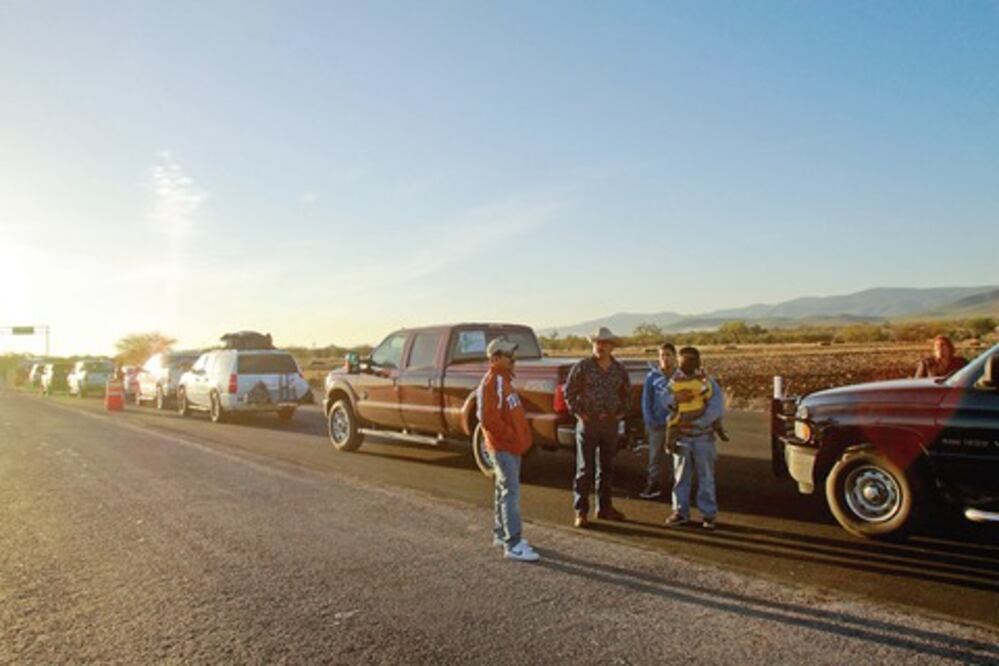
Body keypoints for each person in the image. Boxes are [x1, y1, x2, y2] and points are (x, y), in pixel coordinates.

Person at [477, 336, 539, 562]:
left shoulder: (504, 380)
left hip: (511, 446)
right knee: (510, 493)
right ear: (495, 359)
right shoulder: (492, 382)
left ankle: (501, 534)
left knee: (503, 490)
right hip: (504, 447)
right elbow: (488, 419)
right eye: (508, 356)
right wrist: (512, 437)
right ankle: (513, 544)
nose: (513, 359)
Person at [565, 327, 631, 528]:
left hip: (610, 423)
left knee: (607, 468)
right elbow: (569, 392)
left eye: (604, 343)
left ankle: (604, 508)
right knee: (585, 468)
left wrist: (619, 414)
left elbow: (627, 395)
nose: (600, 346)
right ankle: (581, 511)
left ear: (612, 347)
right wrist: (580, 414)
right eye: (597, 343)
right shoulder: (583, 367)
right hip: (589, 423)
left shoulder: (619, 370)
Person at [665, 346, 725, 530]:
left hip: (703, 437)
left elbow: (716, 408)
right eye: (683, 359)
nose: (687, 363)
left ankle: (708, 514)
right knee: (681, 477)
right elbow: (663, 402)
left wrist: (698, 423)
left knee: (706, 477)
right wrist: (676, 399)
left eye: (691, 359)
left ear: (698, 362)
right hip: (681, 436)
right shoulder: (673, 382)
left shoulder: (707, 383)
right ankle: (680, 512)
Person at [639, 343, 676, 500]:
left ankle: (675, 486)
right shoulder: (652, 377)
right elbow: (646, 401)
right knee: (655, 456)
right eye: (662, 355)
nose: (665, 358)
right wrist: (650, 420)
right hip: (657, 424)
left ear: (674, 356)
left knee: (676, 456)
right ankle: (653, 484)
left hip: (676, 424)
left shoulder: (680, 376)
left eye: (668, 354)